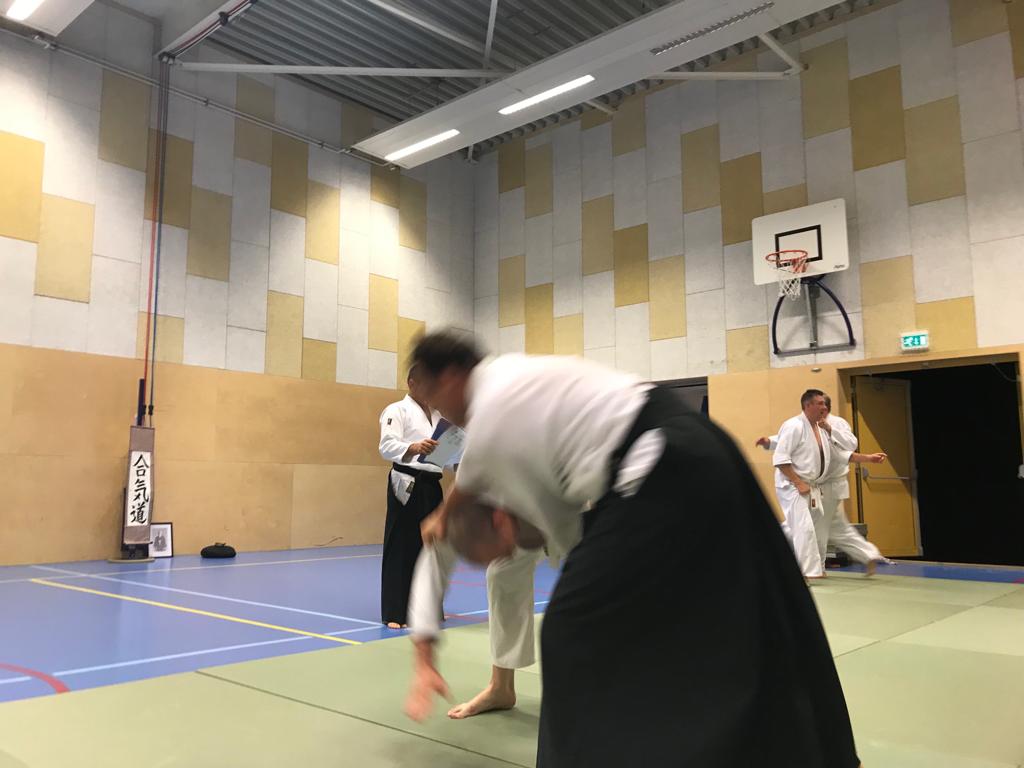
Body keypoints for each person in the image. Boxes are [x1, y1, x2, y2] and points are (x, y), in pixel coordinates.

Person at [402, 331, 861, 768]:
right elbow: (464, 502)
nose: (441, 413)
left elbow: (561, 537)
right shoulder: (509, 382)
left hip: (661, 462)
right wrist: (447, 517)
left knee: (571, 630)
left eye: (434, 397)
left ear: (451, 377)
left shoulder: (493, 423)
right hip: (702, 448)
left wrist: (463, 521)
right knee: (748, 605)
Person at [409, 542, 545, 718]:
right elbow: (433, 566)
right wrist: (425, 661)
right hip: (534, 532)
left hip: (576, 532)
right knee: (503, 571)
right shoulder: (451, 527)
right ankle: (501, 688)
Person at [758, 394, 888, 576]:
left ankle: (814, 568)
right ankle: (811, 568)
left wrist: (867, 458)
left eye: (824, 405)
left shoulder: (827, 426)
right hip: (798, 485)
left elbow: (842, 451)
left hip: (820, 486)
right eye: (819, 404)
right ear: (808, 405)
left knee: (816, 528)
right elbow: (784, 448)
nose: (823, 408)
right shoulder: (797, 425)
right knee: (809, 528)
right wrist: (770, 443)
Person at [378, 365, 451, 629]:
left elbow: (444, 458)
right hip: (407, 482)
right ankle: (395, 612)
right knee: (402, 546)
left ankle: (429, 609)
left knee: (433, 549)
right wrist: (413, 447)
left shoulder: (439, 416)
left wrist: (454, 453)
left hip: (432, 483)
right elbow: (386, 446)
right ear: (411, 383)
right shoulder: (396, 410)